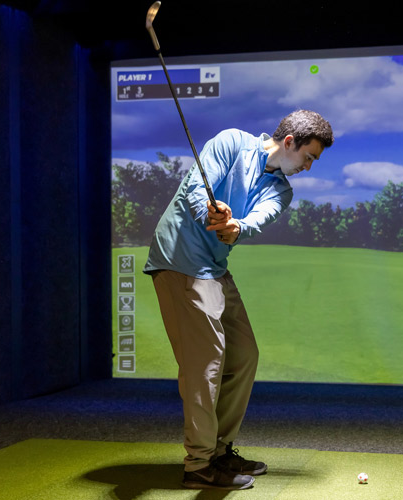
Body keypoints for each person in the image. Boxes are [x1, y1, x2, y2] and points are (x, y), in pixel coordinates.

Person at [144, 109, 334, 490]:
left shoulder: (282, 190)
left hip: (214, 266)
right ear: (290, 142)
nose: (308, 167)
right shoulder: (232, 142)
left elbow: (253, 222)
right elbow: (196, 190)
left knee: (245, 355)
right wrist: (212, 214)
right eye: (309, 157)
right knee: (206, 364)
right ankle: (198, 464)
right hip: (179, 260)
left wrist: (233, 227)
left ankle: (218, 449)